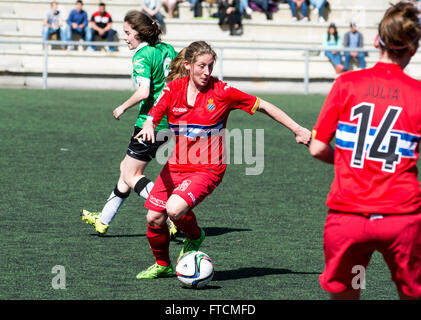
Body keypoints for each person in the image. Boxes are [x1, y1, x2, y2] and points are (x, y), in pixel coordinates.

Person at [134, 40, 312, 279]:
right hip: (175, 166)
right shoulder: (172, 90)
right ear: (187, 65)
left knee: (174, 209)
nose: (207, 72)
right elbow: (152, 116)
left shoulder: (222, 92)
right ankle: (163, 264)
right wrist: (148, 124)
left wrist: (297, 129)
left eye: (210, 66)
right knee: (154, 217)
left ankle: (195, 236)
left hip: (207, 169)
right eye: (201, 66)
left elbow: (264, 106)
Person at [309, 1, 421, 300]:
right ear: (413, 48)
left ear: (376, 41)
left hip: (348, 216)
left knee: (348, 294)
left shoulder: (346, 83)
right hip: (401, 216)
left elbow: (318, 148)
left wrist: (346, 159)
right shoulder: (418, 94)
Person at [81, 11, 178, 238]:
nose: (124, 37)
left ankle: (171, 213)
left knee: (131, 173)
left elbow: (144, 91)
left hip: (150, 123)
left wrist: (122, 107)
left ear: (140, 32)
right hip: (169, 121)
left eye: (127, 33)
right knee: (126, 169)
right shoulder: (167, 49)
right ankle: (104, 219)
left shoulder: (142, 55)